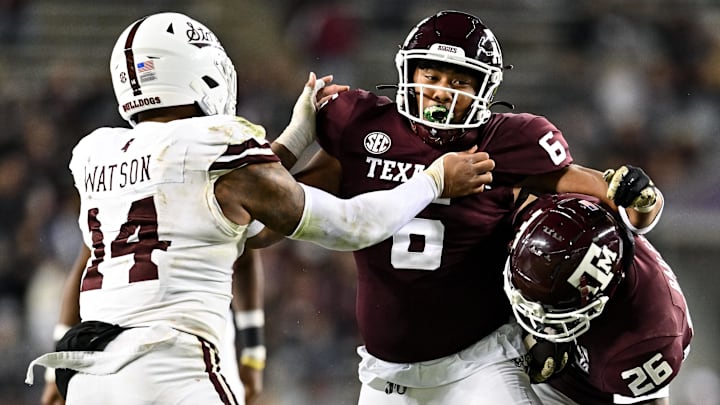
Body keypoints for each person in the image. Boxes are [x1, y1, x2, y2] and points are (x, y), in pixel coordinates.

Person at [24, 12, 493, 405]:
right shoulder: (216, 146)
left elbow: (222, 205)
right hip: (171, 369)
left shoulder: (96, 152)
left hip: (89, 375)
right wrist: (434, 180)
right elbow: (352, 226)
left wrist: (296, 135)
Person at [276, 9, 666, 404]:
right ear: (408, 75)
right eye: (431, 77)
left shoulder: (506, 141)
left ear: (485, 89)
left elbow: (616, 200)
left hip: (482, 364)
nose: (443, 91)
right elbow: (269, 222)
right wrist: (296, 136)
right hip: (385, 375)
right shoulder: (359, 126)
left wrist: (645, 200)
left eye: (459, 81)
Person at [504, 192, 693, 405]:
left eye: (554, 309)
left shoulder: (648, 339)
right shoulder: (559, 215)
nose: (536, 316)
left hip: (580, 395)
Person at [39, 247, 265, 405]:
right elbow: (86, 263)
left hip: (199, 334)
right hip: (132, 337)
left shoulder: (212, 185)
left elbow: (246, 253)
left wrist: (254, 355)